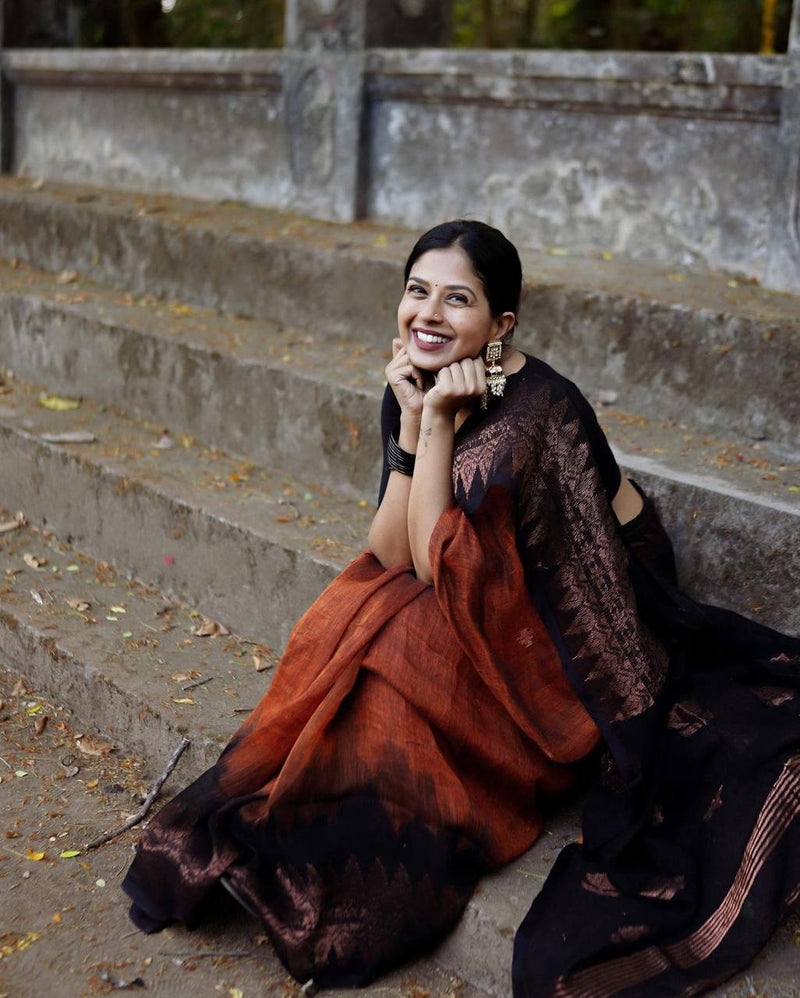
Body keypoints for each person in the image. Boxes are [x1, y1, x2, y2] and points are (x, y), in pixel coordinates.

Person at [122, 221, 800, 997]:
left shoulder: (539, 410)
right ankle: (301, 819)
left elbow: (444, 565)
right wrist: (416, 421)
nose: (429, 315)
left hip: (581, 603)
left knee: (405, 625)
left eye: (458, 299)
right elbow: (392, 548)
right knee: (365, 600)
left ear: (500, 326)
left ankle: (378, 847)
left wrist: (438, 424)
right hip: (476, 571)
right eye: (417, 292)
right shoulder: (417, 378)